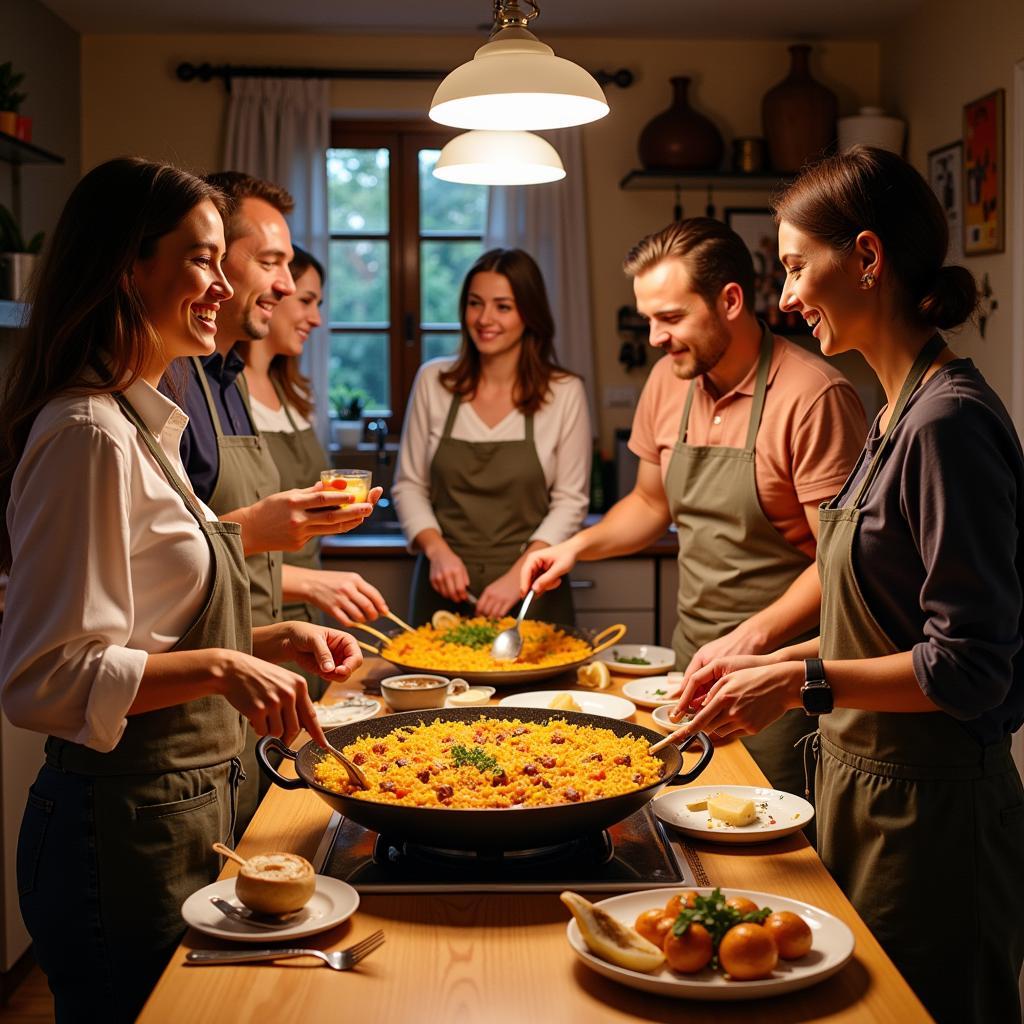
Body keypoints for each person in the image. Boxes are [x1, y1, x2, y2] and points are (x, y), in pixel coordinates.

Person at [667, 147, 1024, 1023]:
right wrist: (769, 654)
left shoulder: (947, 425)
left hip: (936, 818)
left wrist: (800, 675)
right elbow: (885, 616)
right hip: (865, 792)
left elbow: (973, 666)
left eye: (795, 267)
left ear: (867, 257)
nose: (785, 298)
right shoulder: (892, 413)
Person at [0, 158, 359, 1023]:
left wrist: (268, 643)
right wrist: (228, 670)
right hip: (115, 832)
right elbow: (43, 678)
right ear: (131, 269)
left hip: (182, 814)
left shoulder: (143, 422)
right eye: (200, 259)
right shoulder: (87, 433)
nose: (226, 282)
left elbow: (150, 625)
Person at [521, 219, 867, 803]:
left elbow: (842, 565)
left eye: (671, 318)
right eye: (649, 319)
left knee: (770, 855)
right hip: (692, 668)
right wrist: (572, 547)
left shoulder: (813, 397)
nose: (655, 337)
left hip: (780, 679)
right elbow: (650, 504)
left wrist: (752, 638)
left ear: (730, 300)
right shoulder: (669, 379)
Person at [165, 172, 387, 833]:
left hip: (247, 683)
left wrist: (277, 634)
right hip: (191, 720)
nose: (288, 287)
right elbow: (150, 573)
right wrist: (271, 544)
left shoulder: (225, 379)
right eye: (271, 263)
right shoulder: (159, 389)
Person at [393, 247, 591, 625]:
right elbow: (408, 485)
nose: (484, 319)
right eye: (475, 303)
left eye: (503, 306)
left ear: (529, 314)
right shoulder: (433, 382)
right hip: (442, 585)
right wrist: (437, 552)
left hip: (534, 585)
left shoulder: (565, 392)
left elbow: (570, 501)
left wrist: (519, 574)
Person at [242, 246, 385, 696]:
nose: (316, 318)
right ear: (271, 292)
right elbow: (205, 542)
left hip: (302, 624)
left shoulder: (291, 395)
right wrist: (309, 583)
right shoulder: (221, 396)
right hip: (250, 620)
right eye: (306, 301)